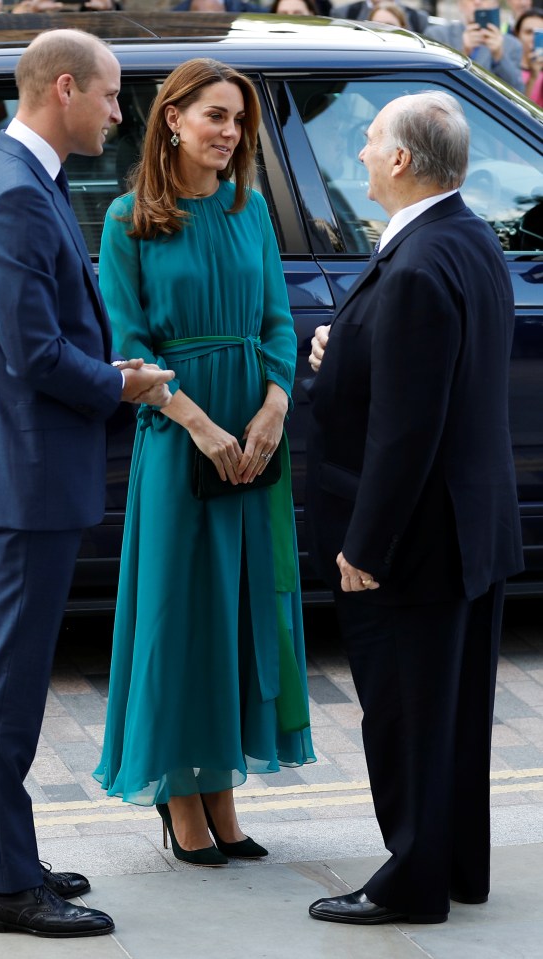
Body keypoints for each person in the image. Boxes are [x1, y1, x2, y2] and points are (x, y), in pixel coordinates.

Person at [0, 28, 174, 938]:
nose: (121, 115)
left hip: (31, 465)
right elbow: (32, 353)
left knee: (8, 681)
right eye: (114, 97)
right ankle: (3, 887)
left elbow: (46, 333)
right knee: (4, 685)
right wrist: (118, 383)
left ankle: (9, 859)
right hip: (28, 474)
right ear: (65, 87)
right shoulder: (11, 192)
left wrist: (103, 361)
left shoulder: (26, 178)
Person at [305, 91, 523, 925]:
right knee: (454, 715)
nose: (359, 154)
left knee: (404, 717)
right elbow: (428, 375)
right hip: (470, 528)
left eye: (368, 143)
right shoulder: (466, 241)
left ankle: (411, 882)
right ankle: (458, 865)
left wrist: (365, 545)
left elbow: (406, 429)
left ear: (401, 161)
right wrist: (344, 349)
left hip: (413, 540)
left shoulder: (420, 264)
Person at [94, 57, 315, 866]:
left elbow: (279, 323)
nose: (229, 133)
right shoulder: (128, 221)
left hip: (255, 442)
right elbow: (129, 347)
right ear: (174, 119)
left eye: (238, 121)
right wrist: (199, 423)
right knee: (178, 617)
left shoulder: (250, 209)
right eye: (216, 116)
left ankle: (221, 789)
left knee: (241, 613)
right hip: (180, 440)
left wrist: (272, 406)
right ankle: (177, 796)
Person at [426, 0, 524, 91]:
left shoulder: (512, 44)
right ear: (460, 4)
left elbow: (518, 92)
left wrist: (499, 57)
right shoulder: (438, 35)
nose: (477, 2)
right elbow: (430, 82)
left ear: (495, 4)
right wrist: (463, 53)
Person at [331, 0, 428, 34]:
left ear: (403, 26)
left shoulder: (418, 18)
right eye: (375, 25)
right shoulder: (344, 13)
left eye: (390, 25)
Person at [514, 7, 543, 105]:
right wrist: (533, 77)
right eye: (528, 32)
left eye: (539, 33)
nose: (533, 38)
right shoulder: (506, 69)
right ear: (517, 34)